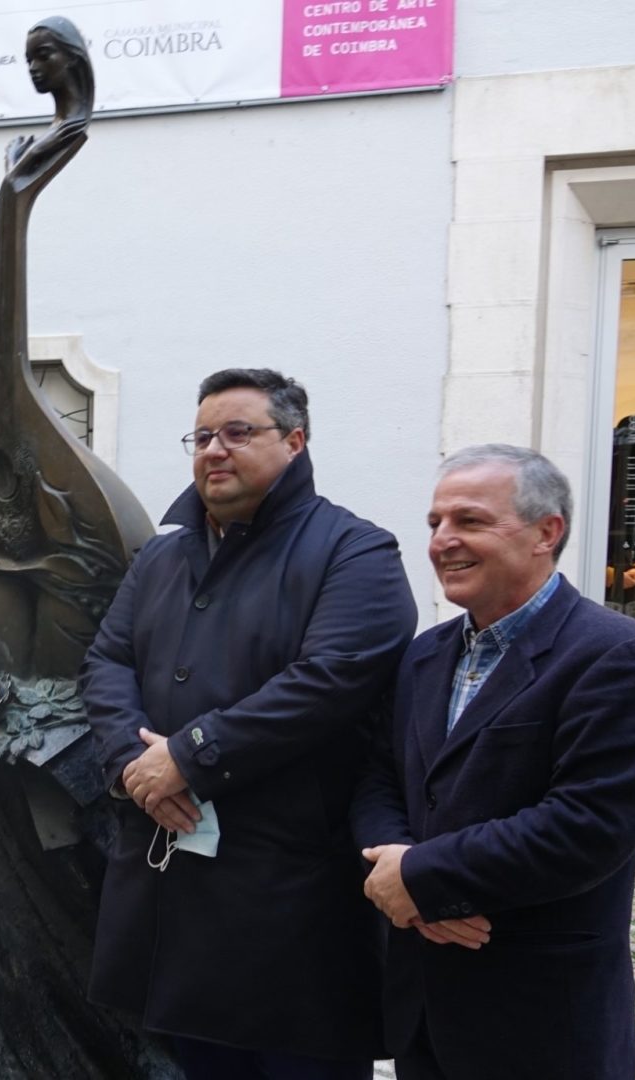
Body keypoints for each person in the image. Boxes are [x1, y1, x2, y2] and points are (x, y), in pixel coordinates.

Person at [80, 369, 416, 1079]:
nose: (214, 450)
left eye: (238, 433)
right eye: (202, 436)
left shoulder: (355, 552)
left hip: (290, 898)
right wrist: (134, 765)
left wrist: (190, 756)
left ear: (295, 442)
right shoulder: (162, 556)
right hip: (174, 889)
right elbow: (107, 660)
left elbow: (329, 680)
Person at [351, 445, 635, 1080]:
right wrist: (400, 876)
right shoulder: (424, 656)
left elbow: (590, 826)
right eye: (435, 523)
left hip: (539, 1015)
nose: (442, 540)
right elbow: (379, 777)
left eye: (470, 521)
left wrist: (422, 877)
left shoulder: (618, 658)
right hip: (426, 1003)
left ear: (546, 532)